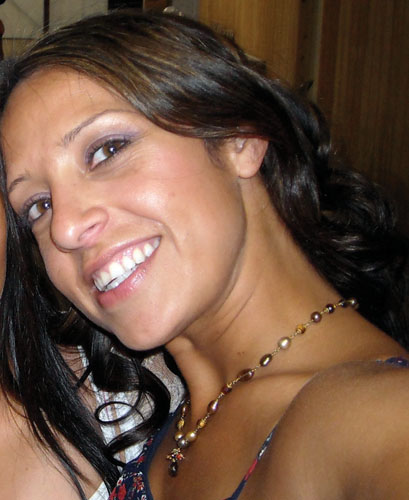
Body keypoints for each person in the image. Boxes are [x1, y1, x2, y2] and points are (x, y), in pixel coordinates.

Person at [0, 9, 408, 499]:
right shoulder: (181, 423)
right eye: (39, 205)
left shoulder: (373, 416)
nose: (64, 228)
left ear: (240, 136)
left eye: (107, 150)